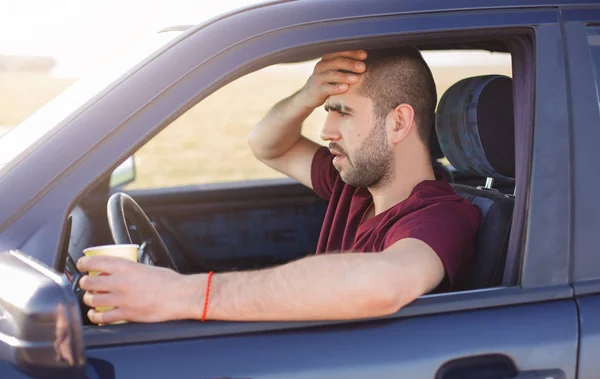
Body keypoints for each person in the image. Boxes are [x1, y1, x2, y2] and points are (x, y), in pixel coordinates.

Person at [77, 48, 480, 325]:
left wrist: (181, 295)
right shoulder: (354, 185)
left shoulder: (442, 216)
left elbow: (386, 284)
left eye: (341, 112)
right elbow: (267, 143)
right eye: (326, 111)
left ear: (398, 123)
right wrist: (307, 95)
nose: (325, 130)